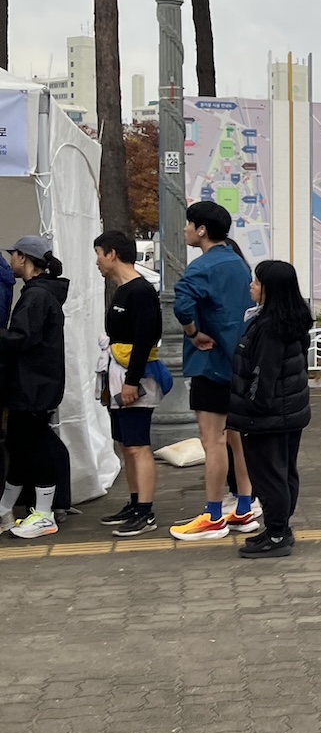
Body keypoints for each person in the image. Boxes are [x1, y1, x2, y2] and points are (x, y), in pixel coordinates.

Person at [170, 201, 262, 542]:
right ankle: (244, 507)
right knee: (236, 439)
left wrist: (194, 333)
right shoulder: (239, 263)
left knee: (213, 441)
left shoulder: (202, 266)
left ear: (202, 229)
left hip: (210, 364)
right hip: (239, 362)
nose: (185, 230)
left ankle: (212, 516)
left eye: (189, 224)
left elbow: (182, 302)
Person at [226, 259, 312, 559]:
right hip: (289, 411)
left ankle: (277, 534)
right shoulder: (293, 318)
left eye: (257, 282)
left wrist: (252, 408)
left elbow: (263, 374)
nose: (251, 286)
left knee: (269, 476)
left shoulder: (270, 326)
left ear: (271, 289)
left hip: (268, 415)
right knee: (284, 472)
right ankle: (279, 528)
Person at [94, 229, 164, 538]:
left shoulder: (140, 291)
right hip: (117, 375)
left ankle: (145, 512)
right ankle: (135, 503)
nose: (97, 261)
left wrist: (132, 381)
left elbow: (146, 337)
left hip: (133, 378)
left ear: (112, 254)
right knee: (125, 444)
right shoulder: (122, 290)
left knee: (138, 445)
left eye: (99, 254)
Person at [0, 235, 70, 541]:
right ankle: (5, 508)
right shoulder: (40, 292)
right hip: (34, 384)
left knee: (35, 448)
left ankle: (44, 514)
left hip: (34, 386)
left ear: (24, 258)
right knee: (19, 446)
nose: (10, 261)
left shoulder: (37, 296)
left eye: (13, 255)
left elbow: (20, 338)